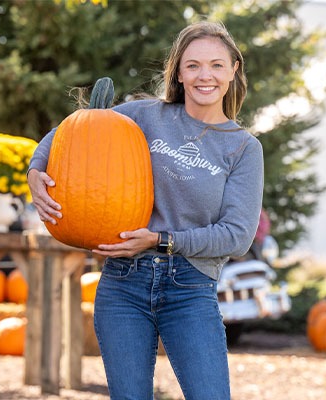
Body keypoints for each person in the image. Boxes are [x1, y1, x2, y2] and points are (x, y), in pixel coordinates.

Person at [27, 20, 263, 400]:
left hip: (190, 287)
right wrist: (35, 171)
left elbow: (236, 236)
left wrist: (160, 240)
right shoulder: (145, 116)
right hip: (123, 283)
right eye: (193, 65)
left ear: (234, 69)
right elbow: (67, 131)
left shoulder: (242, 148)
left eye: (217, 65)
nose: (206, 75)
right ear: (179, 73)